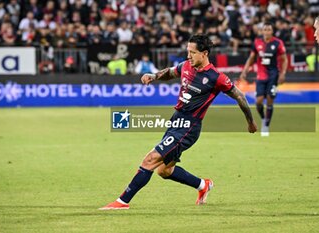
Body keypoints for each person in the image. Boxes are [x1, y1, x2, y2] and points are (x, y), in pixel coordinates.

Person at [100, 34, 257, 210]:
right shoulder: (186, 65)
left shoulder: (216, 77)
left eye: (193, 52)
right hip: (176, 121)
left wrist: (250, 122)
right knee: (164, 171)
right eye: (187, 51)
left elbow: (240, 96)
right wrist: (154, 76)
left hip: (189, 127)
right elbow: (171, 72)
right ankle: (203, 185)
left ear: (204, 53)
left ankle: (122, 202)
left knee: (150, 159)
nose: (188, 55)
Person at [239, 22, 288, 137]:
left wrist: (283, 74)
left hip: (273, 75)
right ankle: (263, 118)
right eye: (265, 29)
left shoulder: (278, 43)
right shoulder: (257, 42)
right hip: (261, 76)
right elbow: (251, 58)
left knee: (270, 99)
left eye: (269, 29)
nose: (266, 32)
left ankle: (266, 125)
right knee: (259, 101)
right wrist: (245, 71)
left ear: (272, 31)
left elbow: (284, 59)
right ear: (262, 31)